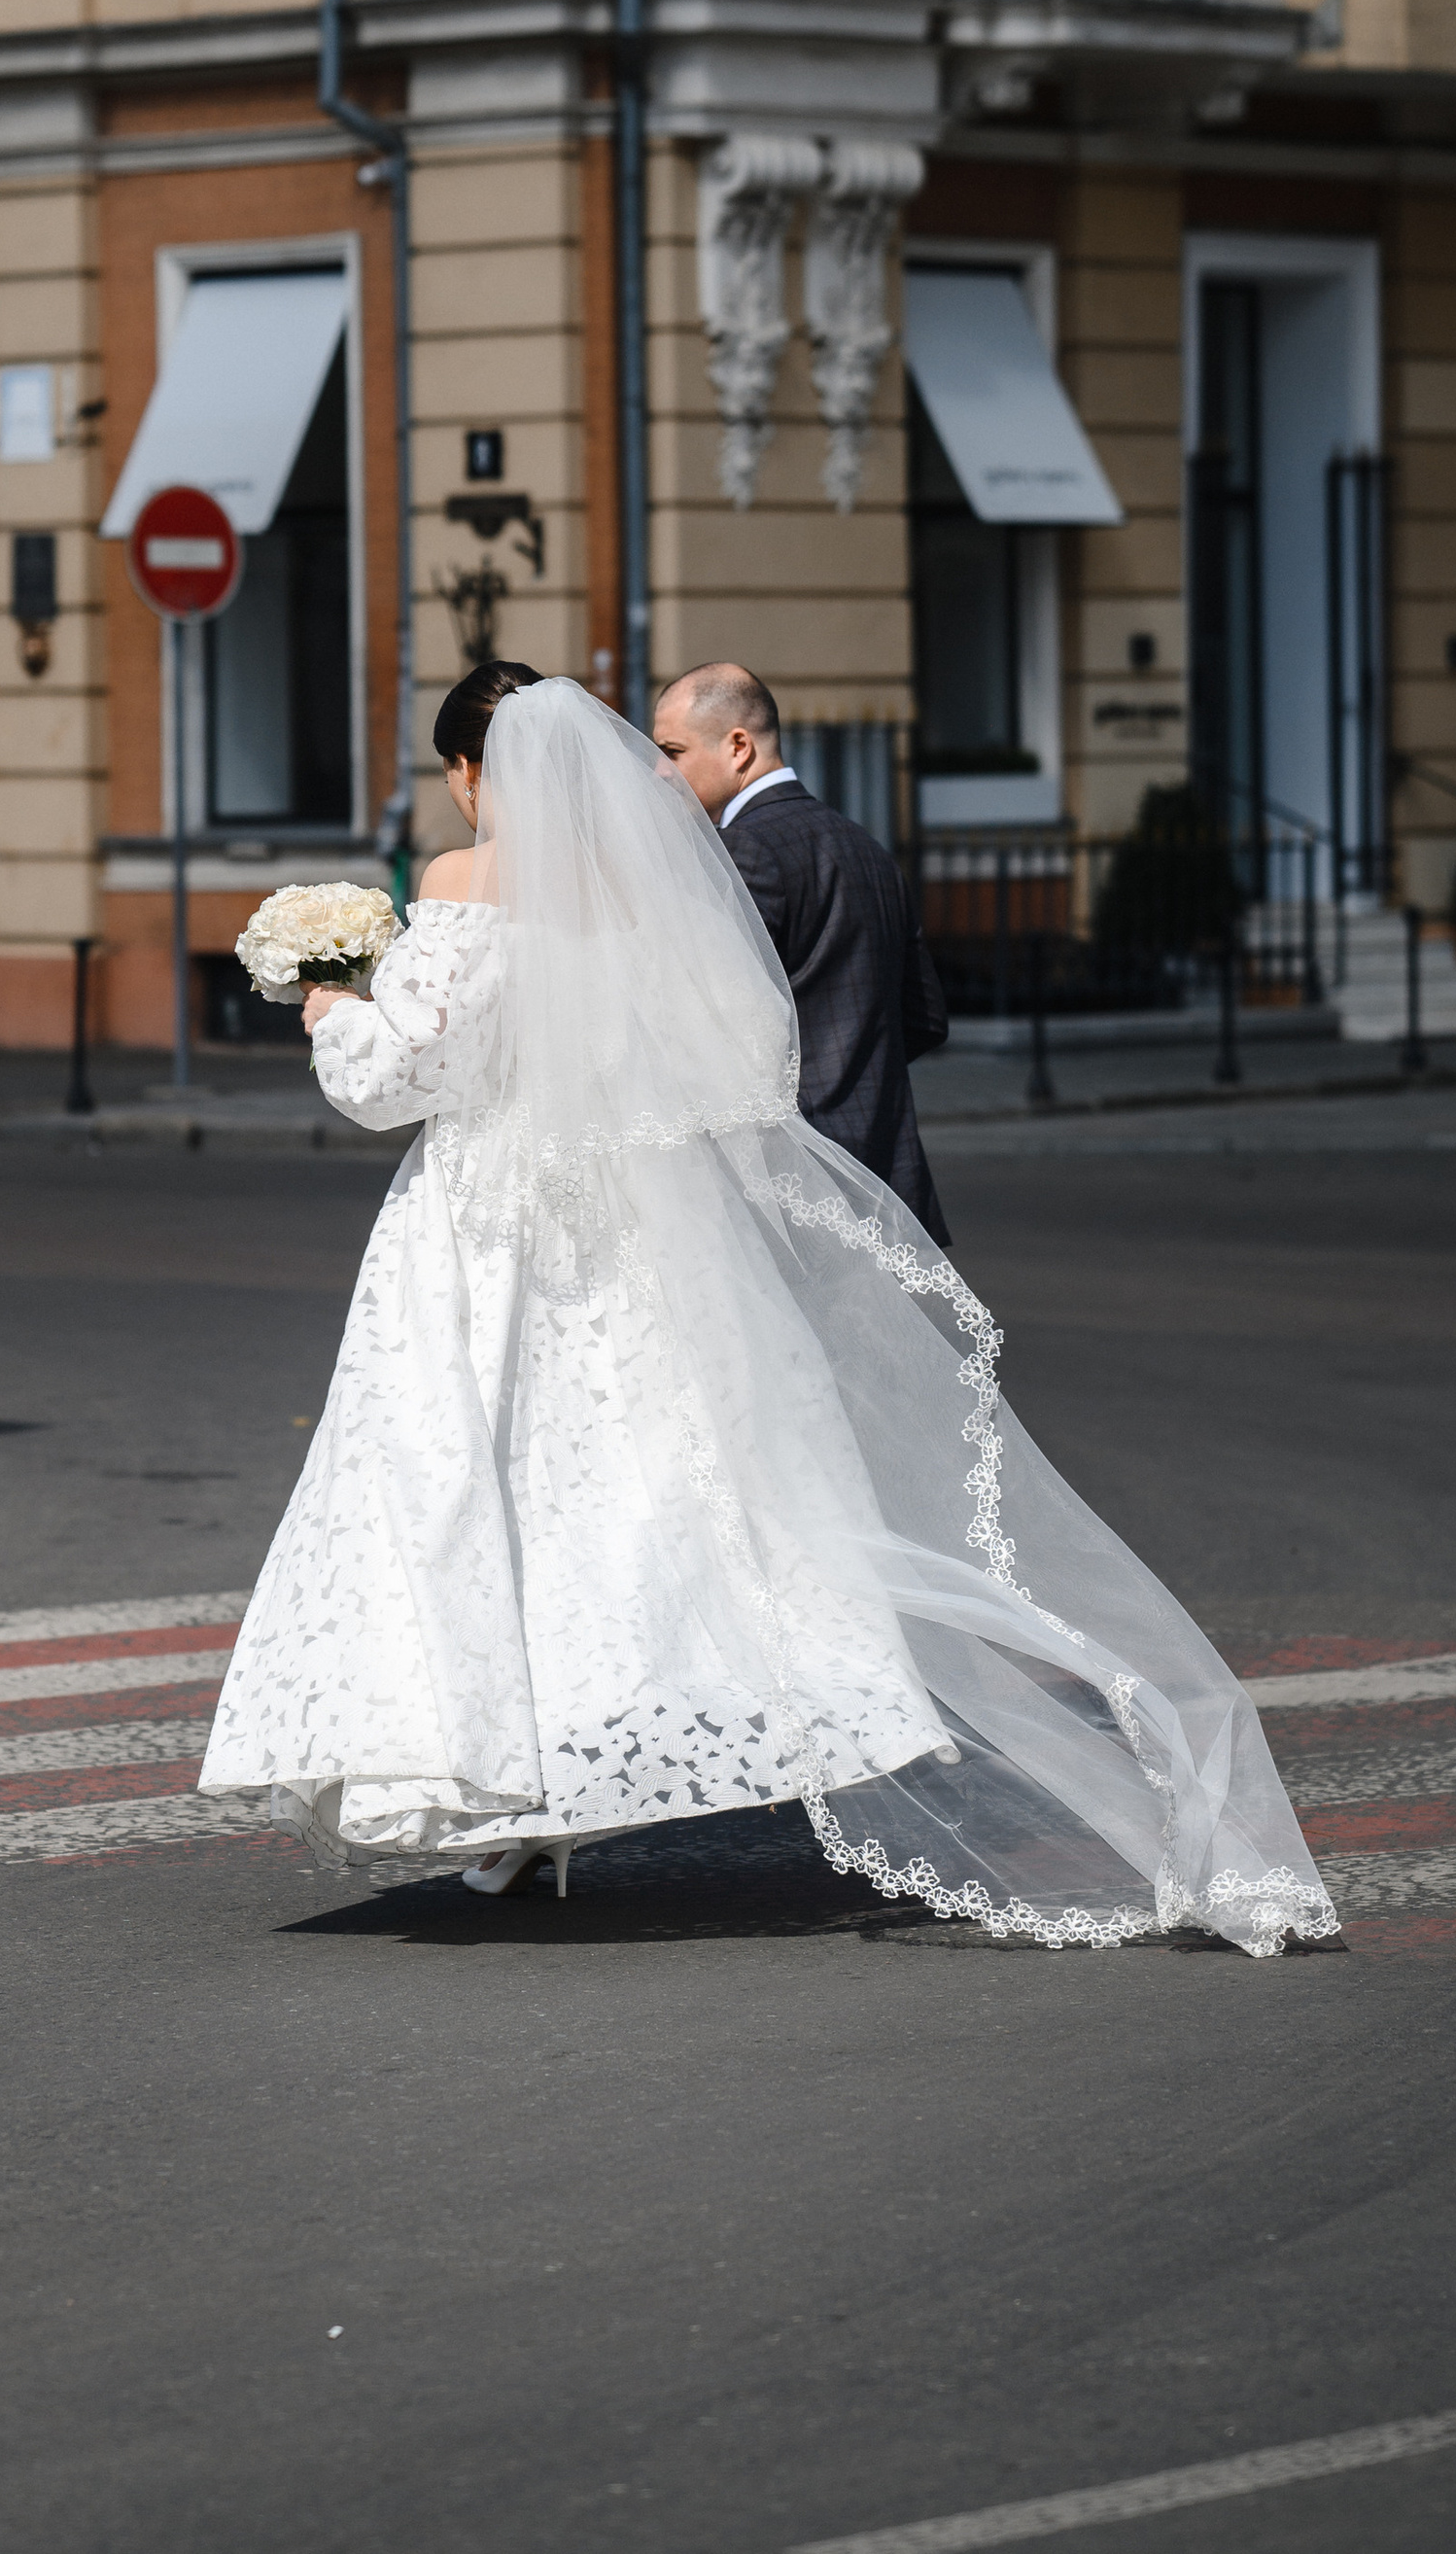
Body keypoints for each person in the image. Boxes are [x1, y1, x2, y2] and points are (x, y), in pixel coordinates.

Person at [200, 667, 1337, 1951]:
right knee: (654, 1502)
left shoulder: (462, 881)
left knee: (463, 1486)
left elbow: (394, 1082)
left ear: (476, 775)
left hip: (479, 1222)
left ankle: (493, 1782)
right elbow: (746, 1050)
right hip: (622, 1223)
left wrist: (332, 999)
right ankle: (610, 1774)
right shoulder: (642, 891)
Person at [651, 660, 950, 1244]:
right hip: (887, 1171)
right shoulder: (867, 846)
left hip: (796, 1181)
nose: (661, 772)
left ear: (738, 746)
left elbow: (709, 1025)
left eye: (673, 750)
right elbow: (926, 1020)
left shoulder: (744, 852)